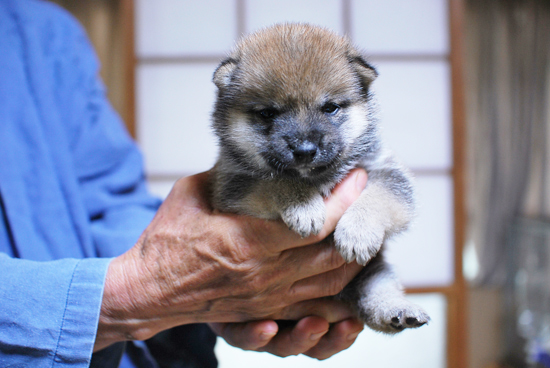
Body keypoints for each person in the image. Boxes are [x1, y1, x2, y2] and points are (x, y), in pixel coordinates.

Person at [0, 0, 367, 367]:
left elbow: (110, 196)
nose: (303, 141)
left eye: (330, 108)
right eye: (267, 115)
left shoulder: (42, 28)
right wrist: (135, 293)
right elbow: (142, 285)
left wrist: (209, 292)